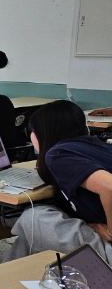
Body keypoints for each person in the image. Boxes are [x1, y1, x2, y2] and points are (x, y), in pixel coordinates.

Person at [8, 100, 112, 261]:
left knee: (33, 218)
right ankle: (10, 272)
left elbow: (109, 186)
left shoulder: (57, 154)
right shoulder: (98, 147)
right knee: (30, 234)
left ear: (39, 134)